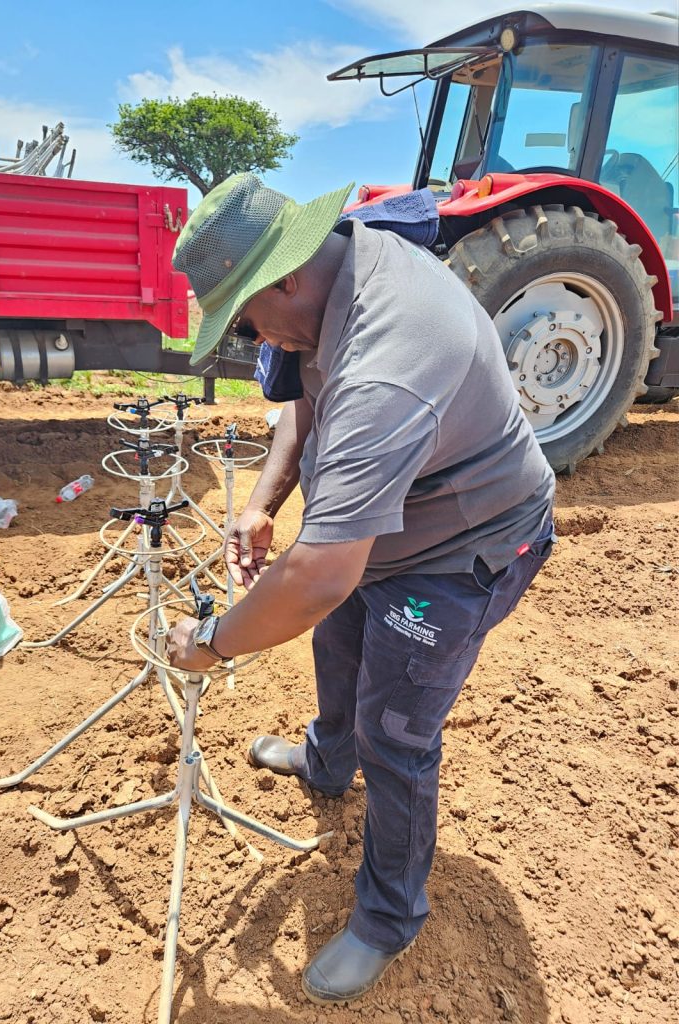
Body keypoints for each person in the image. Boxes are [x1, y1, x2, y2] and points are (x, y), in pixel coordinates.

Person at [166, 172, 555, 1006]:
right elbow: (305, 398)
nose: (249, 337)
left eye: (244, 318)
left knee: (396, 730)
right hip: (396, 530)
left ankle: (387, 916)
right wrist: (264, 504)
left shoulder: (389, 357)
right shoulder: (330, 276)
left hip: (467, 546)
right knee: (338, 642)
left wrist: (212, 644)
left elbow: (318, 575)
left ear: (284, 278)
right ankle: (326, 761)